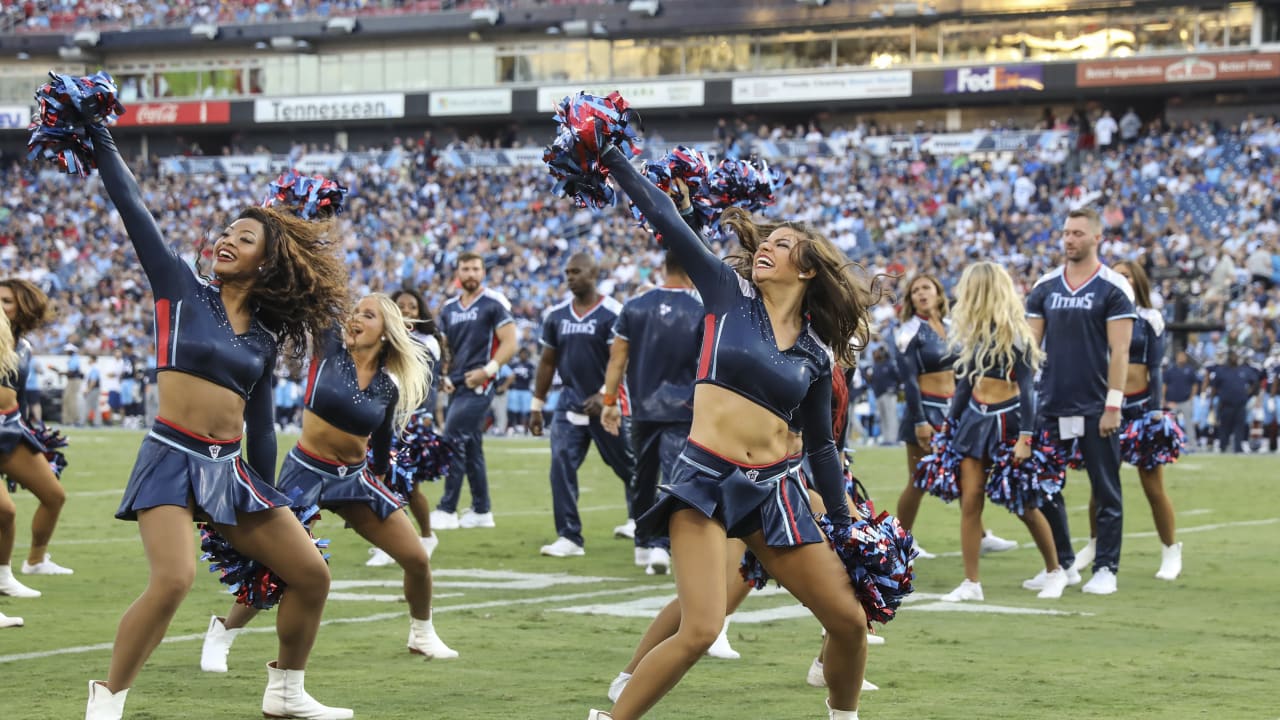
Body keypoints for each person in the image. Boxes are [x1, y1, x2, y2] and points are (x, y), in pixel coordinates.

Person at [595, 139, 883, 720]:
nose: (766, 249)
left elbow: (822, 446)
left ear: (807, 270)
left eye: (782, 245)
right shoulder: (728, 295)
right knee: (702, 627)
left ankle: (843, 716)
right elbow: (665, 218)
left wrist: (845, 524)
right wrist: (613, 157)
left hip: (775, 492)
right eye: (766, 242)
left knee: (850, 621)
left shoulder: (816, 351)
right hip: (704, 480)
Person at [85, 123, 352, 719]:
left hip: (230, 471)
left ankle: (286, 691)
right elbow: (132, 206)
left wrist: (274, 502)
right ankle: (106, 701)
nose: (227, 240)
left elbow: (261, 425)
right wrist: (100, 135)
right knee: (173, 580)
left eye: (244, 237)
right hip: (170, 458)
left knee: (310, 573)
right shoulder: (179, 286)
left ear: (268, 260)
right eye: (226, 233)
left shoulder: (264, 334)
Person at [200, 294, 457, 674]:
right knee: (278, 565)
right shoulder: (329, 348)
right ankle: (223, 632)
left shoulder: (387, 387)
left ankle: (422, 633)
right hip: (306, 471)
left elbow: (382, 441)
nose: (356, 318)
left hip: (354, 479)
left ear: (385, 332)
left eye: (368, 315)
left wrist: (381, 484)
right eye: (356, 312)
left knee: (417, 558)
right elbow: (317, 299)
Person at [929, 263, 1068, 602]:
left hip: (1009, 423)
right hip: (975, 421)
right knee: (970, 501)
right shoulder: (972, 334)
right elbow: (964, 386)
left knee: (1023, 504)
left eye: (969, 290)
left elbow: (1028, 390)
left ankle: (1055, 571)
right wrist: (947, 428)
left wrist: (1025, 438)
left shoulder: (1017, 335)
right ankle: (971, 583)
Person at [1024, 207, 1136, 597]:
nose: (1069, 239)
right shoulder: (1045, 285)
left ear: (1096, 238)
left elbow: (1120, 351)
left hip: (1095, 405)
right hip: (1051, 403)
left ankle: (1106, 567)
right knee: (1043, 485)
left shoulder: (1114, 286)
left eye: (1077, 233)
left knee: (1105, 490)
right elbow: (1031, 348)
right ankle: (1064, 563)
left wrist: (1113, 405)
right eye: (1066, 233)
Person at [892, 273, 1017, 559]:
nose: (921, 293)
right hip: (925, 411)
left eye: (927, 287)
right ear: (911, 300)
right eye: (915, 291)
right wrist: (920, 421)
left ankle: (980, 536)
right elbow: (909, 381)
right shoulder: (908, 332)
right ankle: (899, 542)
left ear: (938, 293)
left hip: (955, 411)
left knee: (966, 476)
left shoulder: (954, 327)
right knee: (919, 480)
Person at [1071, 261, 1182, 581]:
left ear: (1138, 281)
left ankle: (1170, 549)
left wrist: (1156, 412)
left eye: (1126, 275)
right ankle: (1095, 544)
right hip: (1107, 407)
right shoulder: (1100, 315)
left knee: (1153, 486)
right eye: (1115, 275)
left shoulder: (1150, 319)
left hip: (1141, 410)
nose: (1120, 280)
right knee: (1101, 485)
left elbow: (1155, 368)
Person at [601, 246, 703, 574]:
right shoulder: (702, 309)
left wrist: (609, 402)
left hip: (642, 406)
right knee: (673, 475)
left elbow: (617, 358)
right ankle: (661, 545)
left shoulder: (634, 306)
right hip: (684, 408)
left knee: (642, 476)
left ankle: (643, 543)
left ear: (664, 267)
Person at [531, 252, 637, 558]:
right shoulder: (556, 315)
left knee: (630, 466)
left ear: (593, 274)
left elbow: (621, 359)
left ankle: (642, 522)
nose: (570, 277)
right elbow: (547, 362)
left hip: (608, 405)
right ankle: (569, 536)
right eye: (567, 272)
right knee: (560, 464)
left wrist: (605, 394)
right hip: (569, 403)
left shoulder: (613, 312)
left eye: (576, 271)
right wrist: (537, 405)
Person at [430, 252, 517, 530]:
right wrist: (443, 375)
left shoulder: (494, 303)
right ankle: (481, 510)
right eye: (465, 269)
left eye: (475, 269)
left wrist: (487, 371)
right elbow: (443, 348)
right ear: (458, 273)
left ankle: (447, 509)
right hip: (457, 384)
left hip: (481, 384)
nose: (470, 273)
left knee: (452, 439)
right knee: (471, 446)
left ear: (483, 272)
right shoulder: (448, 308)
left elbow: (510, 342)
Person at [0, 277, 71, 597]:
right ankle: (3, 577)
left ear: (23, 308)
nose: (0, 307)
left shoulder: (24, 346)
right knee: (5, 511)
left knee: (54, 495)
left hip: (10, 428)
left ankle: (36, 560)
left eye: (7, 301)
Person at [367, 288, 448, 566]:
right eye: (400, 306)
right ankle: (395, 542)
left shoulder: (427, 341)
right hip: (385, 419)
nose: (406, 311)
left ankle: (423, 536)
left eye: (411, 307)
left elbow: (419, 377)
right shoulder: (383, 339)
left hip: (412, 421)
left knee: (406, 485)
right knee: (386, 481)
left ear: (419, 311)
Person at [1207, 349, 1258, 453]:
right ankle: (1223, 447)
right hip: (1225, 404)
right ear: (1228, 358)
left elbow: (1254, 382)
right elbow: (1214, 387)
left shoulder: (1244, 370)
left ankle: (1238, 448)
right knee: (1224, 427)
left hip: (1240, 404)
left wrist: (1248, 393)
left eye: (1236, 356)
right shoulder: (1221, 370)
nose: (1234, 358)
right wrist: (1211, 402)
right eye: (1232, 356)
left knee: (1239, 427)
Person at [1164, 351, 1200, 448]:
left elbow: (1195, 384)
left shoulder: (1190, 370)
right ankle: (1170, 443)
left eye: (1183, 356)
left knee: (1189, 423)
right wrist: (1163, 399)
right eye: (1180, 356)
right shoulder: (1170, 370)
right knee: (1169, 423)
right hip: (1172, 402)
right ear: (1176, 357)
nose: (1181, 358)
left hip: (1185, 401)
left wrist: (1191, 398)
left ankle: (1192, 444)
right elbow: (1164, 385)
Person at [865, 347, 900, 445]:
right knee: (883, 417)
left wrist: (894, 388)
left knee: (891, 416)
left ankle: (892, 439)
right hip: (878, 394)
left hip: (889, 393)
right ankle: (886, 439)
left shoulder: (890, 364)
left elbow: (898, 377)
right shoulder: (875, 365)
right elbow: (870, 380)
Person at [507, 347, 535, 435]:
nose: (523, 355)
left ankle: (525, 427)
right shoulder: (514, 365)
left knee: (526, 410)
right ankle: (512, 426)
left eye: (525, 353)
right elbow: (509, 376)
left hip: (526, 390)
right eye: (522, 353)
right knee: (513, 409)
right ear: (519, 354)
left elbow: (531, 377)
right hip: (515, 389)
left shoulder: (530, 365)